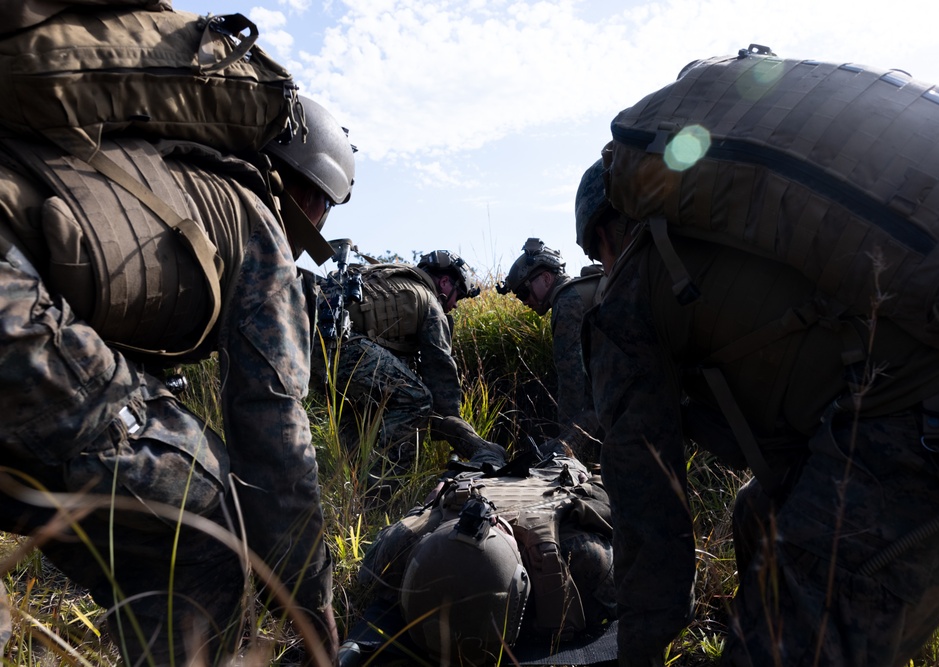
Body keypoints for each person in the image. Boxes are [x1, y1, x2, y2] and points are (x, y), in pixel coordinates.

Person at [581, 56, 939, 667]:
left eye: (598, 253)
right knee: (758, 511)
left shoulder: (627, 295)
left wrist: (640, 649)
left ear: (609, 231)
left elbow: (646, 503)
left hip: (932, 426)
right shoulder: (747, 236)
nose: (603, 269)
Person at [0, 92, 353, 664]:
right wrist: (316, 622)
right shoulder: (256, 221)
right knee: (199, 507)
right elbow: (277, 448)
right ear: (311, 196)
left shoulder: (152, 173)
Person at [343, 449, 616, 666]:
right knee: (560, 451)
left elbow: (412, 517)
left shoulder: (399, 546)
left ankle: (479, 445)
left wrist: (432, 503)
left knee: (485, 455)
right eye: (496, 528)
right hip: (554, 476)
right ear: (520, 585)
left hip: (478, 478)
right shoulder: (582, 559)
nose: (490, 518)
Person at [314, 249, 507, 481]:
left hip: (313, 343)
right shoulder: (428, 299)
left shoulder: (388, 278)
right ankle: (381, 491)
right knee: (416, 400)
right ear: (445, 282)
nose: (456, 305)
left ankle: (349, 487)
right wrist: (456, 431)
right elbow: (440, 369)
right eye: (460, 296)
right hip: (340, 343)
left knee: (361, 413)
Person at [497, 238, 603, 462]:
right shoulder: (583, 289)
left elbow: (571, 380)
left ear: (546, 277)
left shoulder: (567, 301)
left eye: (524, 292)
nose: (524, 301)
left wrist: (566, 444)